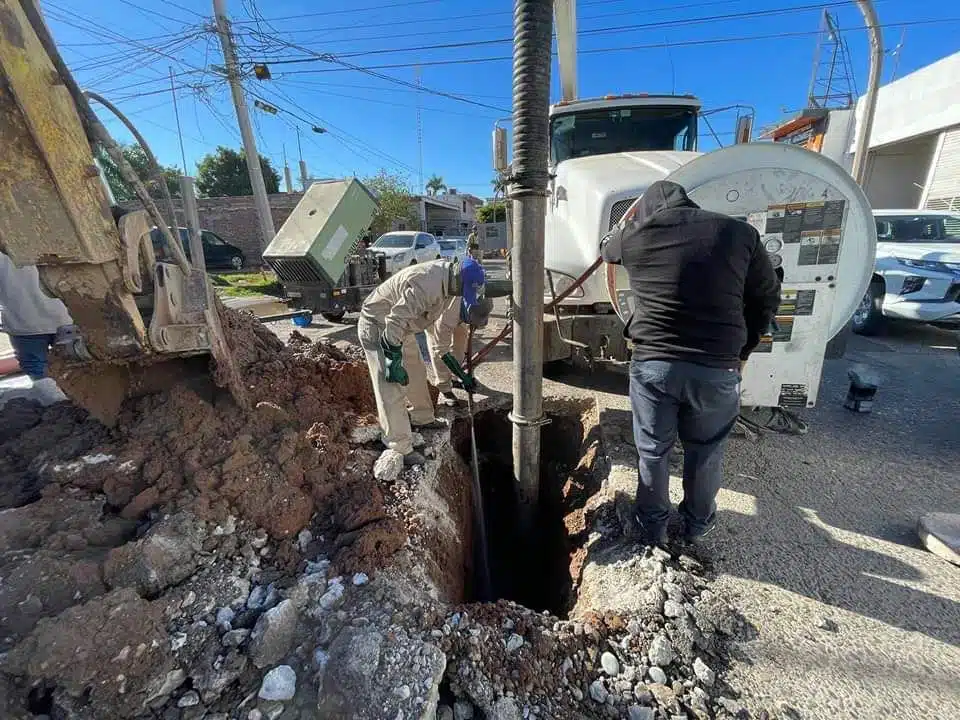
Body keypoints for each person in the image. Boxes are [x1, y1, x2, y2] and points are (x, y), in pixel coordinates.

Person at [601, 180, 780, 546]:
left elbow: (606, 250)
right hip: (717, 366)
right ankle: (696, 525)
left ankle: (653, 527)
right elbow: (766, 297)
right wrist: (744, 350)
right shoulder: (740, 233)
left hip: (654, 364)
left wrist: (630, 221)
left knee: (653, 450)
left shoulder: (635, 236)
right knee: (706, 450)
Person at [358, 256, 492, 466]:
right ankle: (399, 446)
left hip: (405, 327)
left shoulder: (450, 284)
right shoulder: (427, 284)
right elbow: (394, 321)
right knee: (390, 385)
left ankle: (422, 417)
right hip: (380, 325)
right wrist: (393, 362)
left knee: (417, 371)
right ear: (458, 280)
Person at [0, 251, 72, 404]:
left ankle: (58, 405)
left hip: (22, 318)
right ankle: (81, 406)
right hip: (65, 312)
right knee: (76, 360)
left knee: (36, 366)